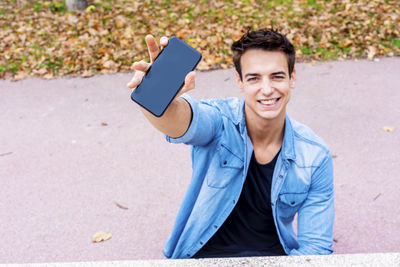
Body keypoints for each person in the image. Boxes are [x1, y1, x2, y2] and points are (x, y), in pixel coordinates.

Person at [127, 28, 334, 259]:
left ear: (292, 78)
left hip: (274, 260)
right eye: (254, 78)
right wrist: (157, 99)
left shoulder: (315, 156)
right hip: (203, 257)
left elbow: (316, 249)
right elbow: (182, 122)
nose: (267, 89)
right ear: (239, 81)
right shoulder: (221, 121)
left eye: (276, 76)